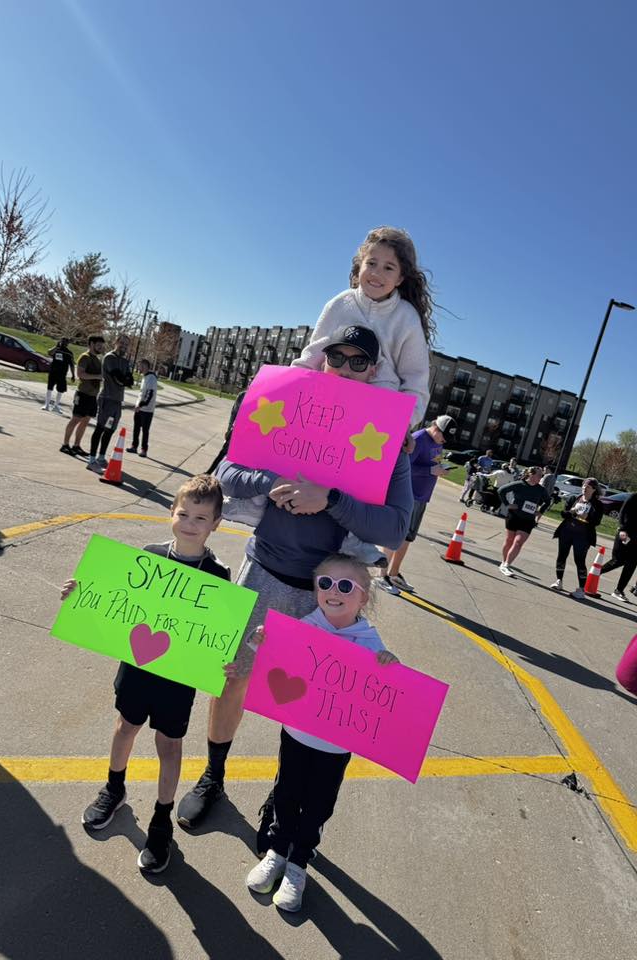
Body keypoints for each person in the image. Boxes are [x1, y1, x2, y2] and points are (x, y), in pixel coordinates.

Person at [175, 331, 414, 832]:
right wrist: (270, 482)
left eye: (359, 360)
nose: (346, 367)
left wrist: (331, 500)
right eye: (338, 357)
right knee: (231, 676)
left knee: (308, 704)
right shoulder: (289, 404)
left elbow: (394, 527)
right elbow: (228, 472)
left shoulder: (388, 436)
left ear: (373, 371)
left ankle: (282, 803)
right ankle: (213, 775)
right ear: (324, 361)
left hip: (326, 596)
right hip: (262, 570)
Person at [59, 475, 229, 874]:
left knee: (169, 747)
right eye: (183, 513)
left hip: (178, 680)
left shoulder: (219, 577)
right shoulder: (148, 558)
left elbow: (221, 634)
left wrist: (231, 656)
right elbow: (115, 602)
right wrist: (79, 596)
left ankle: (160, 819)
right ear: (172, 512)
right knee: (124, 728)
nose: (189, 523)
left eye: (201, 518)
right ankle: (114, 789)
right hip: (137, 667)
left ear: (215, 524)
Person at [237, 554, 399, 912]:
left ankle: (298, 864)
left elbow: (383, 690)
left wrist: (390, 666)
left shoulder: (370, 641)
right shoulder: (303, 625)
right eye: (324, 583)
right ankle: (277, 852)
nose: (332, 592)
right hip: (295, 734)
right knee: (285, 793)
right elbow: (269, 661)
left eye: (345, 586)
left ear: (363, 596)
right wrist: (260, 640)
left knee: (318, 804)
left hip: (337, 745)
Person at [293, 226, 434, 426]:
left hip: (375, 421)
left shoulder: (407, 319)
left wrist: (401, 426)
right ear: (360, 266)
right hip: (325, 411)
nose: (377, 273)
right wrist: (285, 387)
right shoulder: (340, 304)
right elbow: (312, 356)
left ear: (400, 278)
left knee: (401, 458)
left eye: (388, 268)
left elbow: (415, 383)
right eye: (372, 263)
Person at [377, 414, 456, 595]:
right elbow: (403, 465)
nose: (444, 441)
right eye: (443, 437)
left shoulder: (437, 442)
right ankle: (382, 575)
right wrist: (430, 470)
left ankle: (394, 573)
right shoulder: (419, 438)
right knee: (395, 535)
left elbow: (430, 463)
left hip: (421, 496)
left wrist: (439, 469)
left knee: (408, 537)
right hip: (408, 494)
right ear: (436, 428)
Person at [86, 333, 134, 473]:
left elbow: (129, 381)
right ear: (116, 342)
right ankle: (91, 460)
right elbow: (119, 378)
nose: (124, 346)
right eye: (122, 343)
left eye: (126, 344)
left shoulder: (125, 362)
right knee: (100, 428)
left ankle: (101, 457)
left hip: (118, 400)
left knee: (110, 430)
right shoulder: (109, 358)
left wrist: (125, 378)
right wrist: (124, 378)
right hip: (107, 398)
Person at [550, 478, 604, 599]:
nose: (585, 488)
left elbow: (597, 522)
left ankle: (581, 589)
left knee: (579, 561)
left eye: (588, 487)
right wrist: (572, 512)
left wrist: (587, 517)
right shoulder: (574, 498)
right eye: (584, 486)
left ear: (594, 490)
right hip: (567, 532)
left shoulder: (597, 504)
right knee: (561, 556)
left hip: (583, 536)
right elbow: (563, 514)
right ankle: (559, 581)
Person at [497, 466, 551, 577]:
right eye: (539, 475)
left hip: (528, 520)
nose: (541, 477)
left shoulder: (541, 489)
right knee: (509, 540)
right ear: (531, 474)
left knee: (518, 542)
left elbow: (547, 501)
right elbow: (501, 491)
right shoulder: (519, 484)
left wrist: (540, 511)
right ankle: (503, 562)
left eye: (542, 475)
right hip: (514, 516)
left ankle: (506, 565)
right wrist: (508, 504)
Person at [60, 335, 105, 455]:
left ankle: (76, 445)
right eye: (98, 345)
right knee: (75, 419)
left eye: (102, 345)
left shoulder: (97, 359)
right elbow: (80, 374)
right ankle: (65, 445)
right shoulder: (85, 357)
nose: (100, 347)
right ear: (91, 344)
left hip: (92, 396)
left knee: (85, 421)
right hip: (83, 394)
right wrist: (97, 376)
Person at [601, 493, 637, 602]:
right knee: (618, 560)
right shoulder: (634, 497)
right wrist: (622, 529)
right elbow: (623, 513)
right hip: (625, 534)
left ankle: (618, 591)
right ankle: (594, 574)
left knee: (632, 563)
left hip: (636, 538)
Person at [127, 359, 158, 457]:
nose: (138, 368)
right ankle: (134, 446)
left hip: (147, 410)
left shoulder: (151, 378)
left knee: (145, 430)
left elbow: (149, 394)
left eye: (140, 366)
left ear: (144, 366)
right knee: (136, 429)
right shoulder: (145, 377)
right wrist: (137, 405)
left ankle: (144, 450)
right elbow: (142, 393)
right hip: (139, 409)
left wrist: (141, 405)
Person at [43, 338, 75, 414]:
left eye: (65, 342)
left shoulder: (69, 353)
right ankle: (46, 405)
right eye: (62, 341)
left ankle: (56, 406)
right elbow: (49, 353)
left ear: (68, 344)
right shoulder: (56, 349)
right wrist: (56, 347)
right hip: (53, 372)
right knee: (49, 388)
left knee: (60, 390)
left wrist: (73, 375)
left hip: (62, 374)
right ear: (60, 342)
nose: (64, 343)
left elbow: (72, 365)